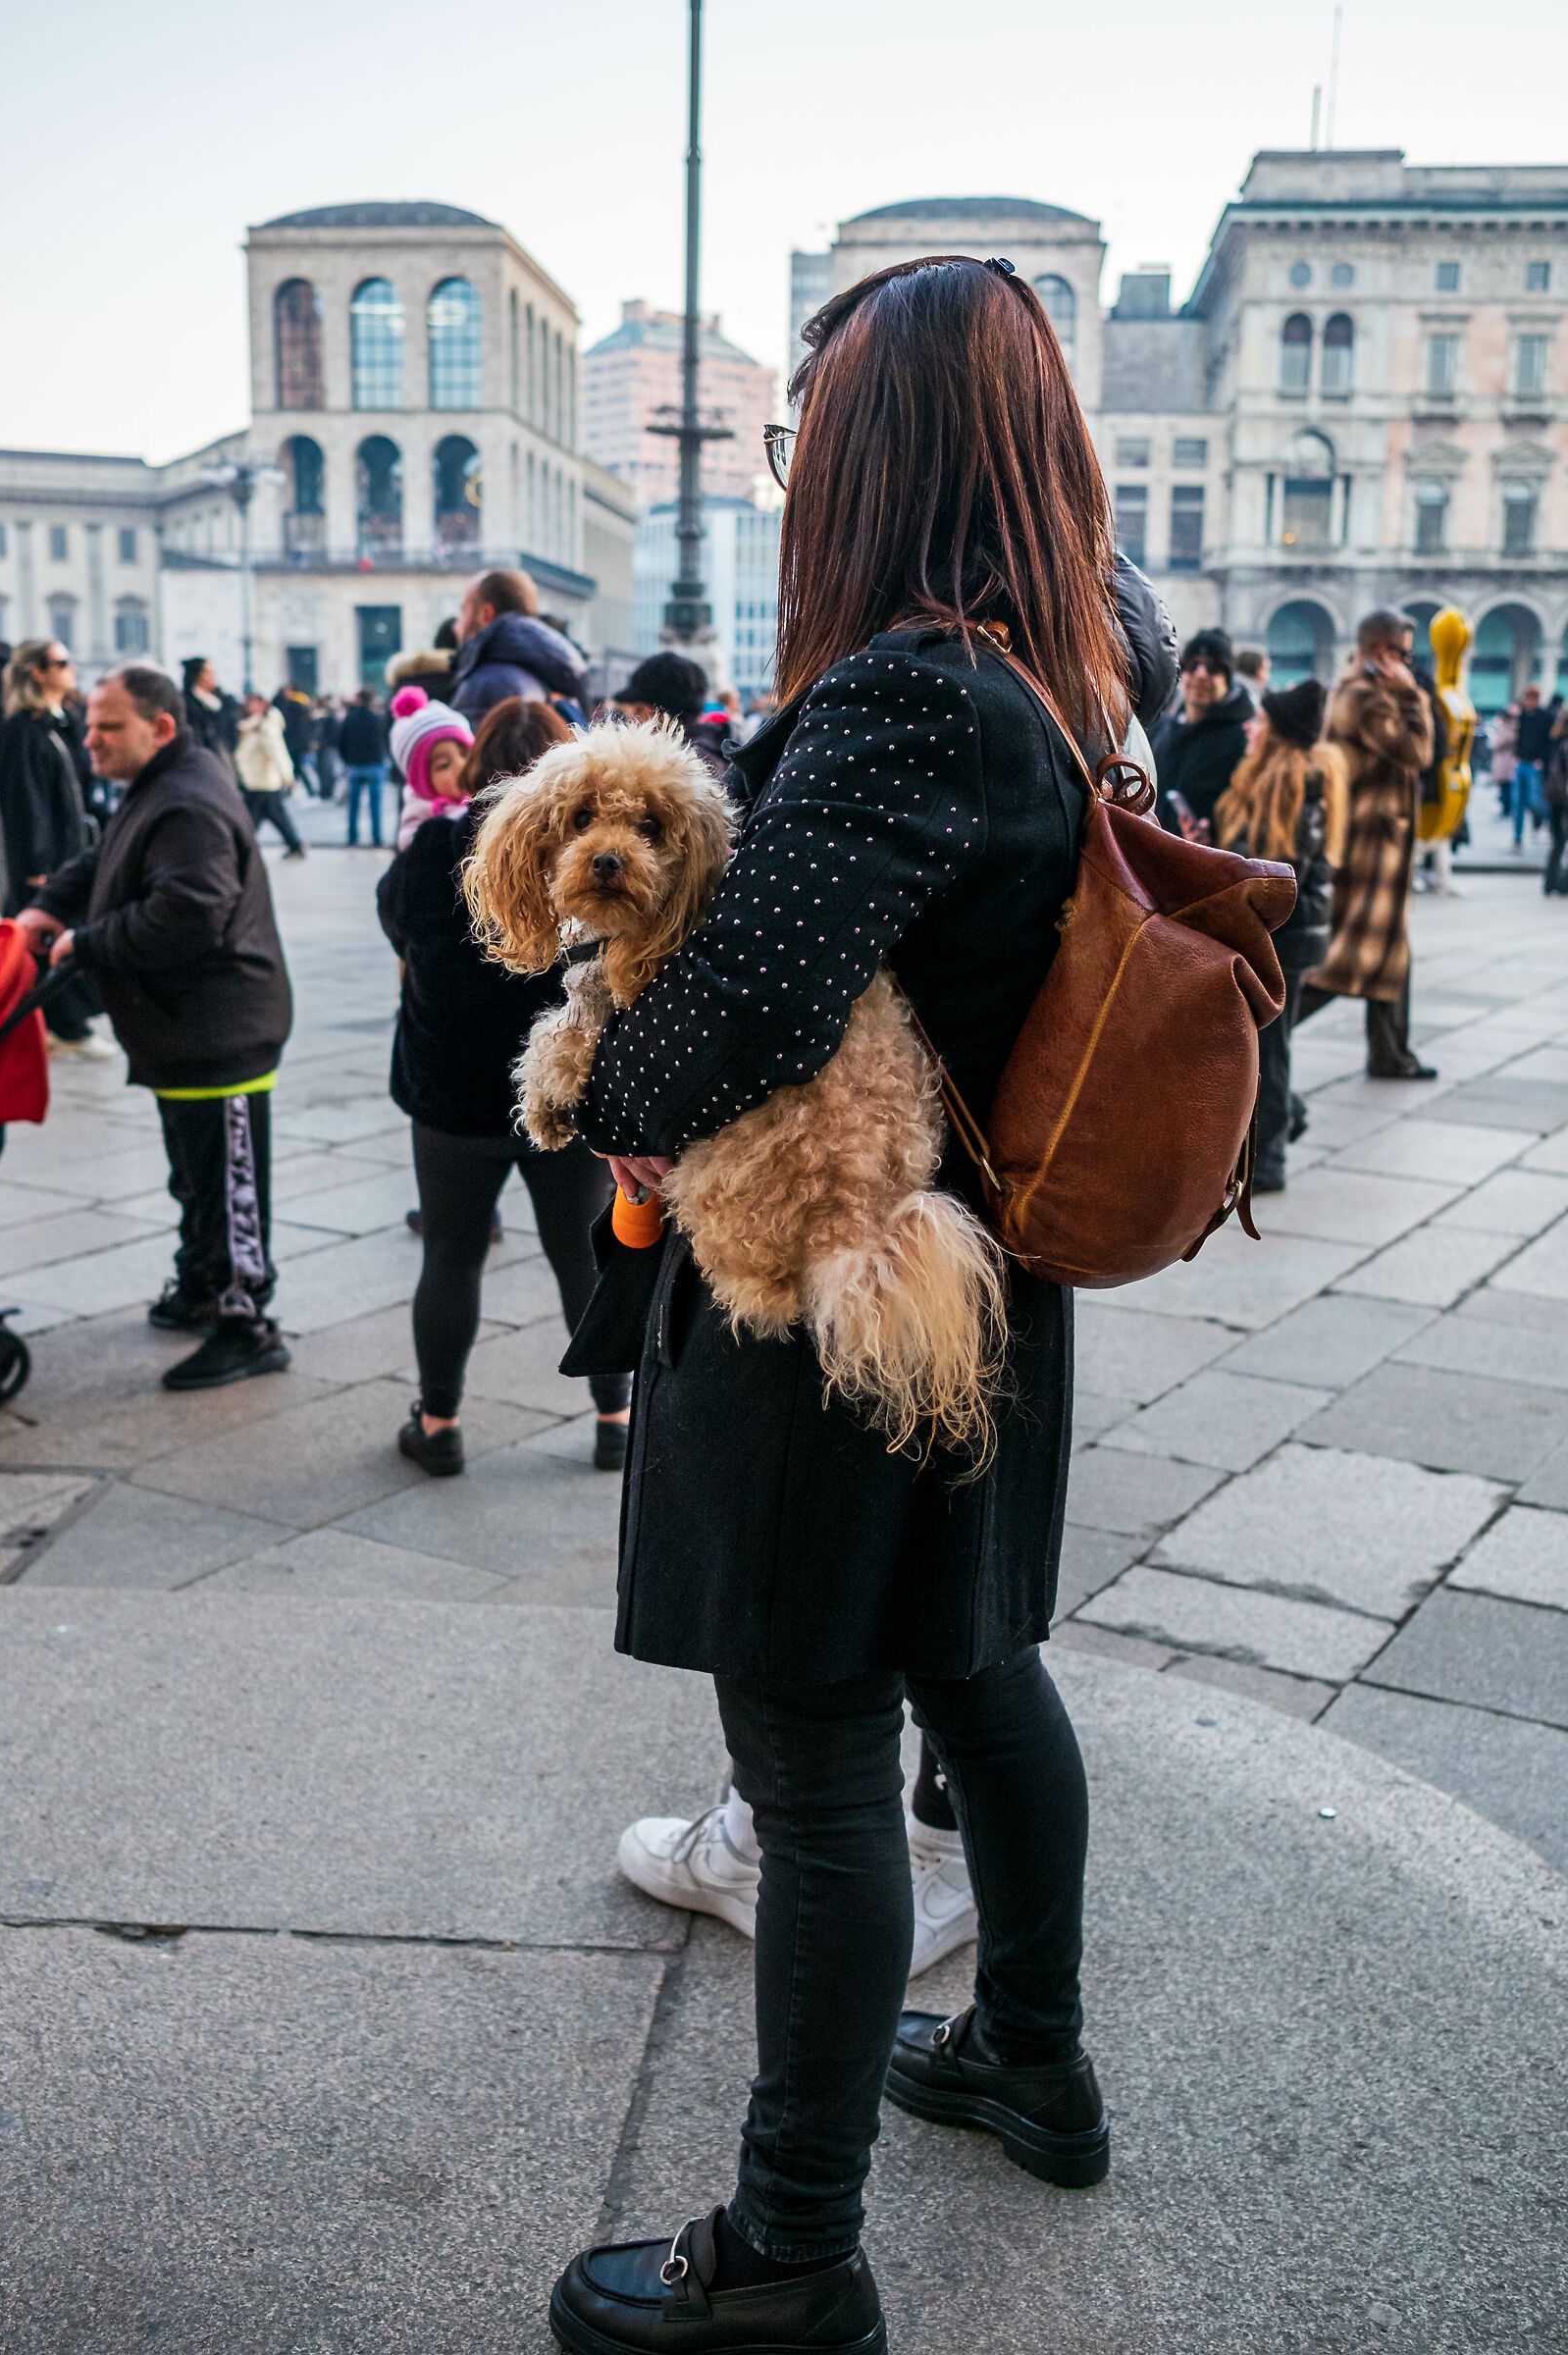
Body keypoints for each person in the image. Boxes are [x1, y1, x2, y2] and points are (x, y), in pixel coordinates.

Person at [542, 253, 1135, 2355]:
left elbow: (753, 995)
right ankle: (1029, 2058)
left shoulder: (902, 691)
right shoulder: (1065, 671)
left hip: (831, 1316)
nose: (791, 474)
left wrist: (607, 1100)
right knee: (979, 1683)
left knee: (811, 1773)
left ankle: (788, 2256)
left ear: (867, 462)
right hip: (976, 1290)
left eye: (807, 435)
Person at [16, 667, 293, 1389]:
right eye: (91, 723)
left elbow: (190, 912)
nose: (89, 738)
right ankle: (204, 1282)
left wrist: (89, 941)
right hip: (186, 1030)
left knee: (228, 1182)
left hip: (219, 1033)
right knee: (197, 1176)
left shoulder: (189, 801)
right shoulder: (167, 781)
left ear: (159, 727)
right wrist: (52, 907)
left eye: (108, 726)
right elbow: (108, 853)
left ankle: (247, 1322)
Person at [377, 696, 631, 1477]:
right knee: (582, 1254)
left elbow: (396, 925)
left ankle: (441, 1421)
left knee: (450, 1255)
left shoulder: (432, 851)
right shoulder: (595, 861)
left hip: (452, 1095)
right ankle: (615, 1419)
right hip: (565, 1093)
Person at [1213, 680, 1346, 1188]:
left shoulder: (1298, 785)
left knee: (1271, 1048)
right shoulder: (1266, 779)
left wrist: (1234, 856)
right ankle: (1285, 1117)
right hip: (1277, 933)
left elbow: (1284, 871)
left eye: (1262, 722)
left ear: (1280, 735)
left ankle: (1268, 1160)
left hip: (1286, 936)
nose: (1251, 727)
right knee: (1264, 1044)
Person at [1300, 610, 1436, 1080]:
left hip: (1376, 838)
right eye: (1405, 654)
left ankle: (1391, 1054)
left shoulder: (1352, 691)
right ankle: (1262, 1033)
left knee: (1391, 951)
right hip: (1372, 844)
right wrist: (1413, 694)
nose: (1410, 663)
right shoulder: (1367, 698)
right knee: (1346, 958)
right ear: (1381, 652)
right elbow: (1417, 751)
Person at [0, 639, 110, 1057]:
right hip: (44, 858)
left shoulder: (62, 722)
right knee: (42, 939)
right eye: (61, 663)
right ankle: (69, 1027)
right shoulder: (21, 728)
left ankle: (47, 1024)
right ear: (37, 672)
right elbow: (24, 802)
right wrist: (37, 864)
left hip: (71, 848)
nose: (72, 668)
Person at [448, 569, 588, 725]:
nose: (456, 626)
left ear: (486, 614)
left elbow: (475, 749)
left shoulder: (486, 684)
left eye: (464, 611)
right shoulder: (551, 672)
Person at [1149, 628, 1251, 837]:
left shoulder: (1242, 736)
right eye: (1192, 665)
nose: (1201, 675)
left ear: (1227, 678)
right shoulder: (1162, 727)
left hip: (1211, 858)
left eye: (1213, 668)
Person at [388, 685, 473, 851]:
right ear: (422, 782)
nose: (461, 766)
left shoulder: (486, 798)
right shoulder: (420, 817)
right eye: (443, 765)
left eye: (466, 754)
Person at [616, 651, 727, 777]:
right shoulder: (714, 750)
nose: (631, 720)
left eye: (639, 710)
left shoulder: (682, 767)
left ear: (665, 715)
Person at [234, 693, 306, 858]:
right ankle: (294, 845)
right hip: (255, 780)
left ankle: (243, 848)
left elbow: (277, 751)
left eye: (254, 703)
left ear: (263, 705)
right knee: (274, 816)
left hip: (263, 781)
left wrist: (287, 775)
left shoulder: (266, 726)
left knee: (253, 819)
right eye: (248, 703)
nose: (249, 707)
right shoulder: (251, 725)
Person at [339, 689, 390, 847]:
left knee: (353, 805)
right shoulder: (377, 719)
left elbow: (340, 741)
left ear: (358, 699)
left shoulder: (350, 718)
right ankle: (376, 838)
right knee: (375, 806)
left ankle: (352, 838)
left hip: (354, 765)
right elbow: (385, 740)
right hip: (374, 764)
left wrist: (347, 759)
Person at [181, 659, 241, 779]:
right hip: (200, 765)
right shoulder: (187, 703)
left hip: (221, 760)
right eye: (209, 673)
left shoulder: (221, 701)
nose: (213, 677)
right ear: (198, 675)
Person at [1513, 686, 1553, 849]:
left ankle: (1548, 823)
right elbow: (1520, 738)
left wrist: (1542, 761)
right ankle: (1517, 837)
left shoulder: (1544, 716)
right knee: (1518, 802)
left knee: (1535, 800)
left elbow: (1548, 742)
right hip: (1521, 762)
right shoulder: (1523, 716)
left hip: (1535, 764)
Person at [273, 683, 319, 795]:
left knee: (295, 766)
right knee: (297, 766)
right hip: (294, 742)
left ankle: (289, 788)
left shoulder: (275, 707)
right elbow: (306, 725)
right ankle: (304, 789)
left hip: (286, 741)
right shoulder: (295, 706)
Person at [1544, 703, 1568, 899]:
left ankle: (1551, 881)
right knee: (1560, 840)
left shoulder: (1557, 738)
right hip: (1563, 798)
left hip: (1556, 797)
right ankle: (1557, 881)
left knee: (1558, 841)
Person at [1490, 703, 1519, 818]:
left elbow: (1496, 743)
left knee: (1506, 787)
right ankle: (1506, 808)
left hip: (1507, 762)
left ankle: (1507, 808)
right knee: (1505, 786)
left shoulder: (1511, 729)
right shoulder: (1509, 728)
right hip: (1504, 761)